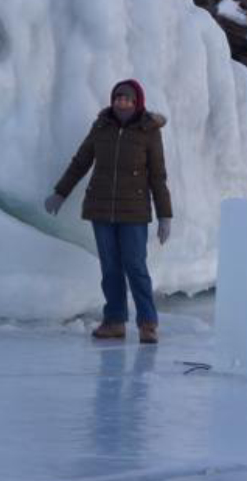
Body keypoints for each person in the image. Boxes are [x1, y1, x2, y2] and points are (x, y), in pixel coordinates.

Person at [43, 79, 173, 342]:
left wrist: (164, 215)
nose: (121, 103)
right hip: (101, 209)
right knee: (110, 268)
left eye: (126, 99)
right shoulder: (101, 126)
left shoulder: (148, 131)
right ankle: (114, 321)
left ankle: (148, 323)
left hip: (134, 212)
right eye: (117, 98)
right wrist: (60, 192)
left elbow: (158, 176)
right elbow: (81, 161)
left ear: (137, 102)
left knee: (135, 266)